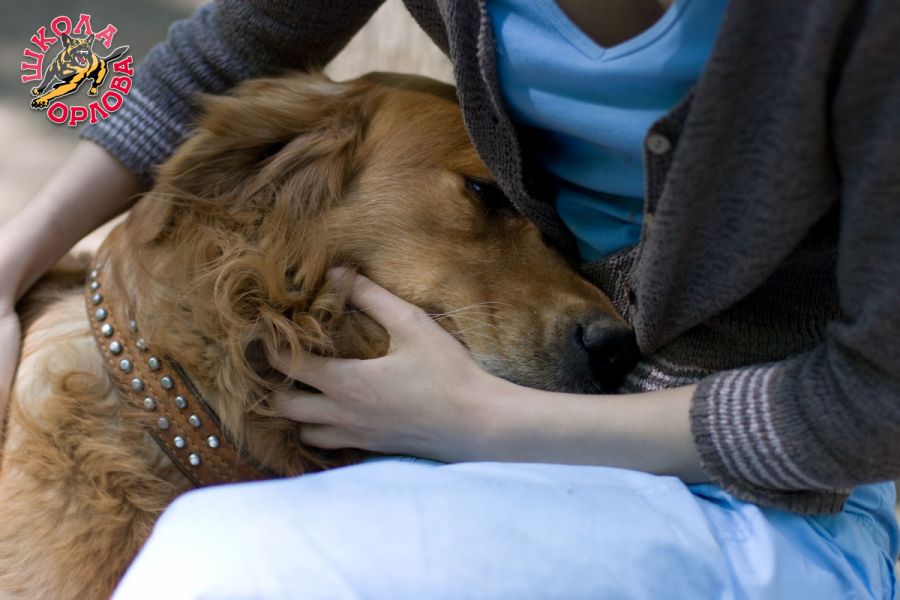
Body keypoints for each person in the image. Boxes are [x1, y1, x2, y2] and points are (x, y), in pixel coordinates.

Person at [2, 0, 899, 597]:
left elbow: (874, 405)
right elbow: (225, 56)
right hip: (482, 445)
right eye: (481, 197)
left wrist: (483, 421)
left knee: (220, 573)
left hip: (767, 497)